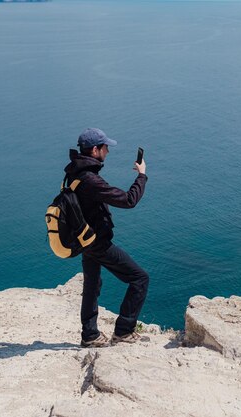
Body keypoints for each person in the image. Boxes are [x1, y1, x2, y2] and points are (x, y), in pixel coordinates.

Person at [64, 127, 149, 347]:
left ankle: (90, 335)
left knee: (92, 284)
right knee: (139, 279)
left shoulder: (73, 172)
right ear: (95, 150)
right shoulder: (91, 180)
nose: (108, 152)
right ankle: (124, 330)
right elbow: (129, 200)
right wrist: (142, 175)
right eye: (105, 148)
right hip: (97, 242)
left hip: (85, 240)